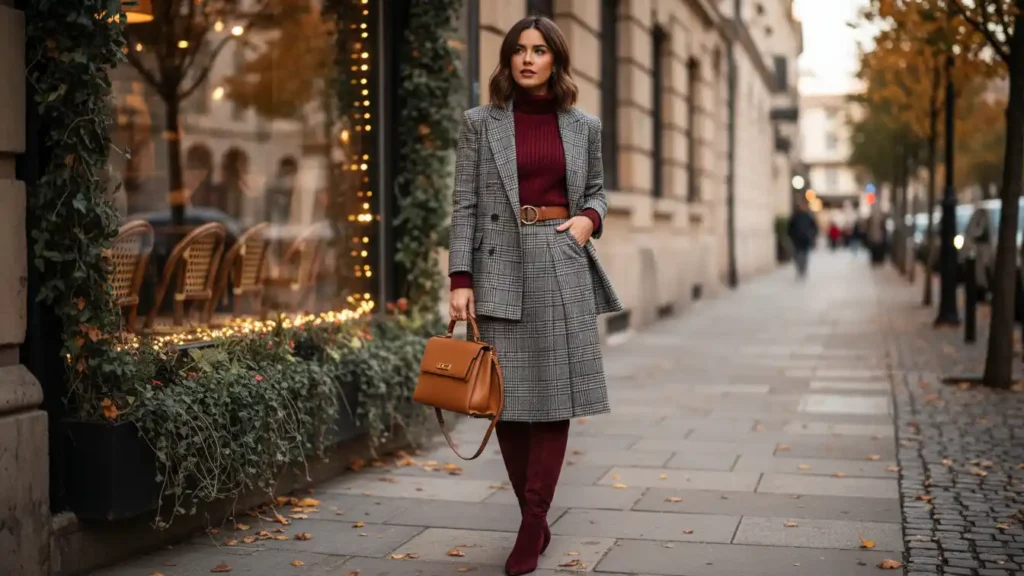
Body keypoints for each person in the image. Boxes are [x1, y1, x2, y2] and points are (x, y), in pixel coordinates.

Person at [447, 16, 622, 576]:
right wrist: (459, 280)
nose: (528, 59)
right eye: (519, 50)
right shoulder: (480, 124)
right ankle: (534, 514)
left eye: (539, 50)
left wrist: (586, 223)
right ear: (507, 59)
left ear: (555, 60)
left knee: (553, 397)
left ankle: (531, 522)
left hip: (558, 256)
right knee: (508, 403)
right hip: (499, 263)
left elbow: (596, 191)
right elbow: (464, 205)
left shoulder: (583, 125)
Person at [788, 200, 818, 278]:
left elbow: (814, 227)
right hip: (796, 239)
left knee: (804, 254)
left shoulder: (808, 216)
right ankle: (799, 267)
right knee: (797, 255)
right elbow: (790, 227)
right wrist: (791, 236)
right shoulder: (795, 216)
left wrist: (812, 235)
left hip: (806, 239)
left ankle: (803, 268)